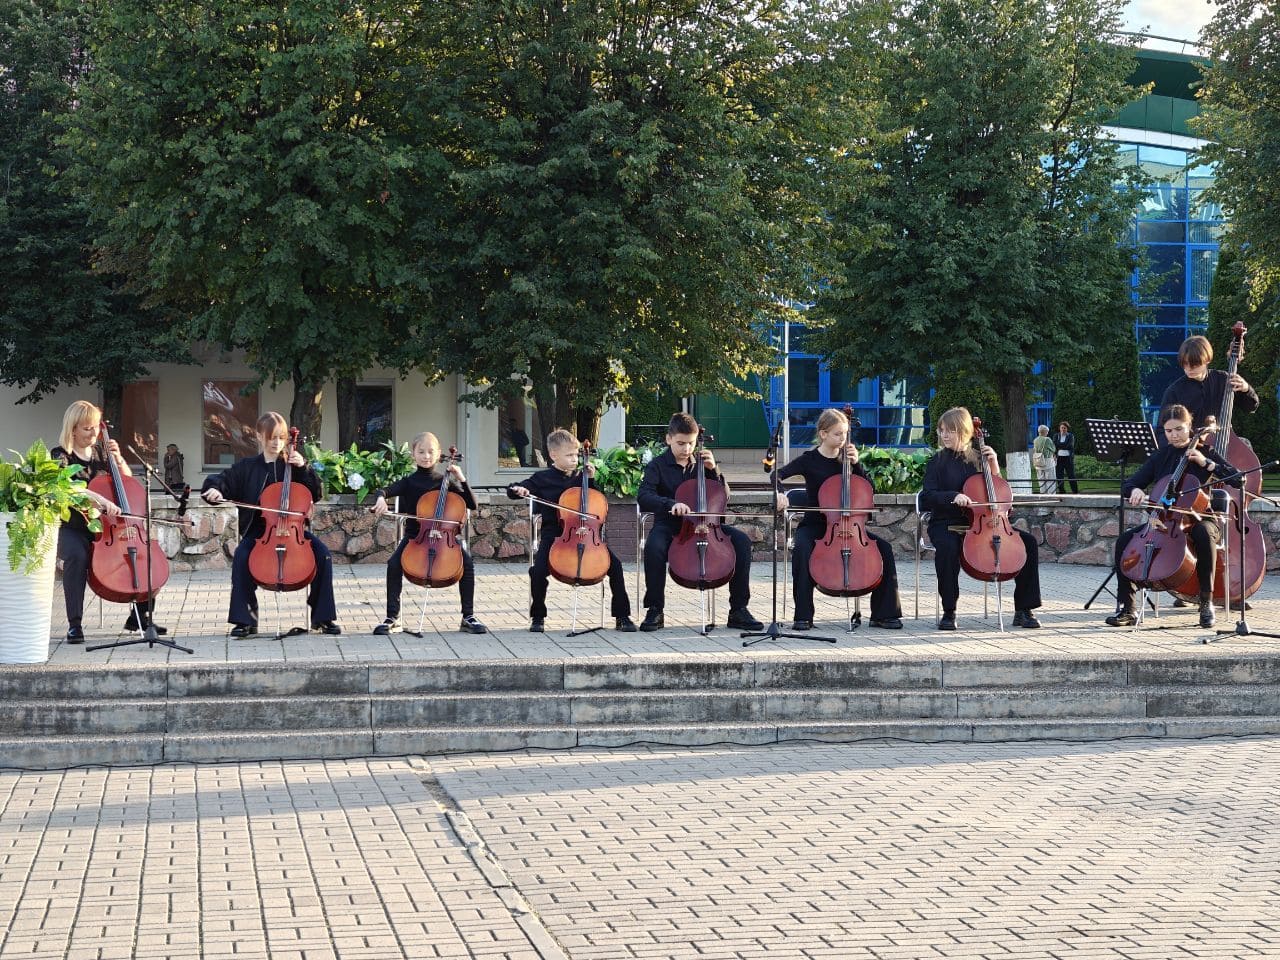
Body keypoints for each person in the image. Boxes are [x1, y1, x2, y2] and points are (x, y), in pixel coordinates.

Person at [200, 411, 341, 637]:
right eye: (271, 437)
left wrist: (304, 468)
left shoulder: (293, 466)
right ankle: (246, 620)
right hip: (259, 532)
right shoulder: (247, 467)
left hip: (294, 531)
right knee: (242, 557)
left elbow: (315, 493)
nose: (277, 443)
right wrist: (214, 489)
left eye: (281, 438)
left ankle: (323, 617)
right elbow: (221, 480)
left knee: (323, 555)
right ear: (259, 436)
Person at [1104, 404, 1239, 629]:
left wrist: (1206, 463)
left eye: (1179, 429)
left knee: (1203, 533)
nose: (1174, 435)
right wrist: (1134, 490)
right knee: (1124, 541)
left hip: (1202, 518)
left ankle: (1206, 602)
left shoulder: (1205, 452)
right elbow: (1130, 483)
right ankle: (1128, 608)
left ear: (1189, 427)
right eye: (1169, 431)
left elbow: (1238, 479)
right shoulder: (1161, 456)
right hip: (1166, 522)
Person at [773, 408, 903, 630]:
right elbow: (776, 474)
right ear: (823, 434)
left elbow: (868, 490)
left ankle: (884, 614)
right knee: (802, 549)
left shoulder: (848, 460)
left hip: (850, 528)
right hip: (815, 526)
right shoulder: (809, 459)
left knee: (885, 548)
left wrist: (857, 464)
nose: (843, 438)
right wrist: (779, 493)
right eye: (837, 434)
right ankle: (803, 616)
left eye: (845, 433)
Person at [50, 400, 167, 642]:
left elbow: (127, 482)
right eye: (87, 428)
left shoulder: (102, 453)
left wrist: (119, 459)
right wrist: (99, 499)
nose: (94, 433)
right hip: (74, 527)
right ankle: (74, 624)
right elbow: (67, 487)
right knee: (76, 557)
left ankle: (140, 616)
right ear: (73, 429)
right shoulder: (60, 455)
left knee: (142, 554)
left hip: (107, 527)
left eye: (95, 427)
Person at [635, 412, 762, 632]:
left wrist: (714, 470)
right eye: (681, 443)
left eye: (691, 443)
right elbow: (644, 495)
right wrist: (670, 503)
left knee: (741, 541)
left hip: (706, 525)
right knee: (654, 547)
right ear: (668, 439)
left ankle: (738, 610)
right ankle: (655, 609)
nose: (686, 449)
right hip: (670, 526)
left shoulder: (703, 464)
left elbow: (724, 496)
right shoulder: (657, 466)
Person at [920, 407, 1042, 630]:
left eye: (951, 430)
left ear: (965, 431)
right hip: (947, 523)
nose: (944, 435)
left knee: (1029, 543)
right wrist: (953, 496)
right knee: (947, 549)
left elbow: (998, 495)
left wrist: (994, 466)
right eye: (942, 430)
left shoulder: (980, 460)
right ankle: (949, 611)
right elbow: (927, 496)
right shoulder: (937, 462)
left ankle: (1024, 610)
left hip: (983, 524)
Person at [507, 429, 636, 632]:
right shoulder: (542, 479)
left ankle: (622, 616)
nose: (575, 459)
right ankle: (538, 617)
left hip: (587, 535)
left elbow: (596, 505)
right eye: (569, 455)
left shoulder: (581, 477)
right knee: (538, 571)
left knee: (616, 566)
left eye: (576, 455)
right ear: (553, 455)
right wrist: (518, 489)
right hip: (555, 536)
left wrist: (590, 480)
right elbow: (516, 489)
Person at [370, 432, 488, 635]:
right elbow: (384, 491)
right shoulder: (409, 482)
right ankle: (392, 617)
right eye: (421, 452)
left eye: (431, 452)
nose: (426, 456)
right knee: (394, 564)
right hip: (415, 537)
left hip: (444, 538)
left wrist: (461, 478)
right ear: (413, 455)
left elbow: (472, 504)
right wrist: (380, 498)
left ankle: (468, 616)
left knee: (466, 563)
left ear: (439, 454)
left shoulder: (445, 481)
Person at [1159, 334, 1258, 435]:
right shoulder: (1174, 391)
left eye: (1194, 364)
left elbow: (1251, 407)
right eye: (1185, 364)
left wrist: (1246, 389)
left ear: (1207, 360)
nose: (1188, 368)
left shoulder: (1224, 380)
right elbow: (1162, 430)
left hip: (1224, 441)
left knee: (1245, 443)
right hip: (1191, 444)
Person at [1054, 421, 1079, 494]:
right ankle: (1062, 491)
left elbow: (1070, 446)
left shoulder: (1070, 436)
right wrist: (1063, 445)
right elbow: (1054, 445)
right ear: (1059, 428)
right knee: (1059, 476)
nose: (1063, 429)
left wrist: (1060, 445)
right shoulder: (1056, 435)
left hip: (1068, 458)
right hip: (1059, 458)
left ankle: (1075, 491)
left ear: (1067, 429)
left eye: (1064, 428)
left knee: (1071, 475)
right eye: (1062, 428)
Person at [1032, 425, 1056, 494]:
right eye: (1047, 431)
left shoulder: (1035, 440)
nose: (1047, 433)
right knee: (1050, 480)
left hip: (1038, 462)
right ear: (1045, 431)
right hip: (1048, 462)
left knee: (1041, 481)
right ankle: (1051, 496)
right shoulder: (1047, 439)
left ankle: (1043, 495)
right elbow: (1053, 449)